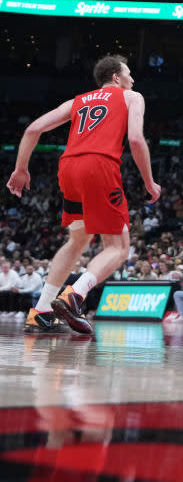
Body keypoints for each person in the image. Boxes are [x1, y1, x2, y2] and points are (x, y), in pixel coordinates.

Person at [7, 55, 160, 335]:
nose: (133, 79)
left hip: (68, 168)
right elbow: (136, 139)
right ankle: (74, 294)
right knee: (118, 247)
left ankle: (40, 312)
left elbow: (32, 129)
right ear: (116, 77)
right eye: (129, 73)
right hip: (99, 167)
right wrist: (149, 181)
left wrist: (20, 169)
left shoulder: (76, 101)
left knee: (78, 239)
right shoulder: (131, 97)